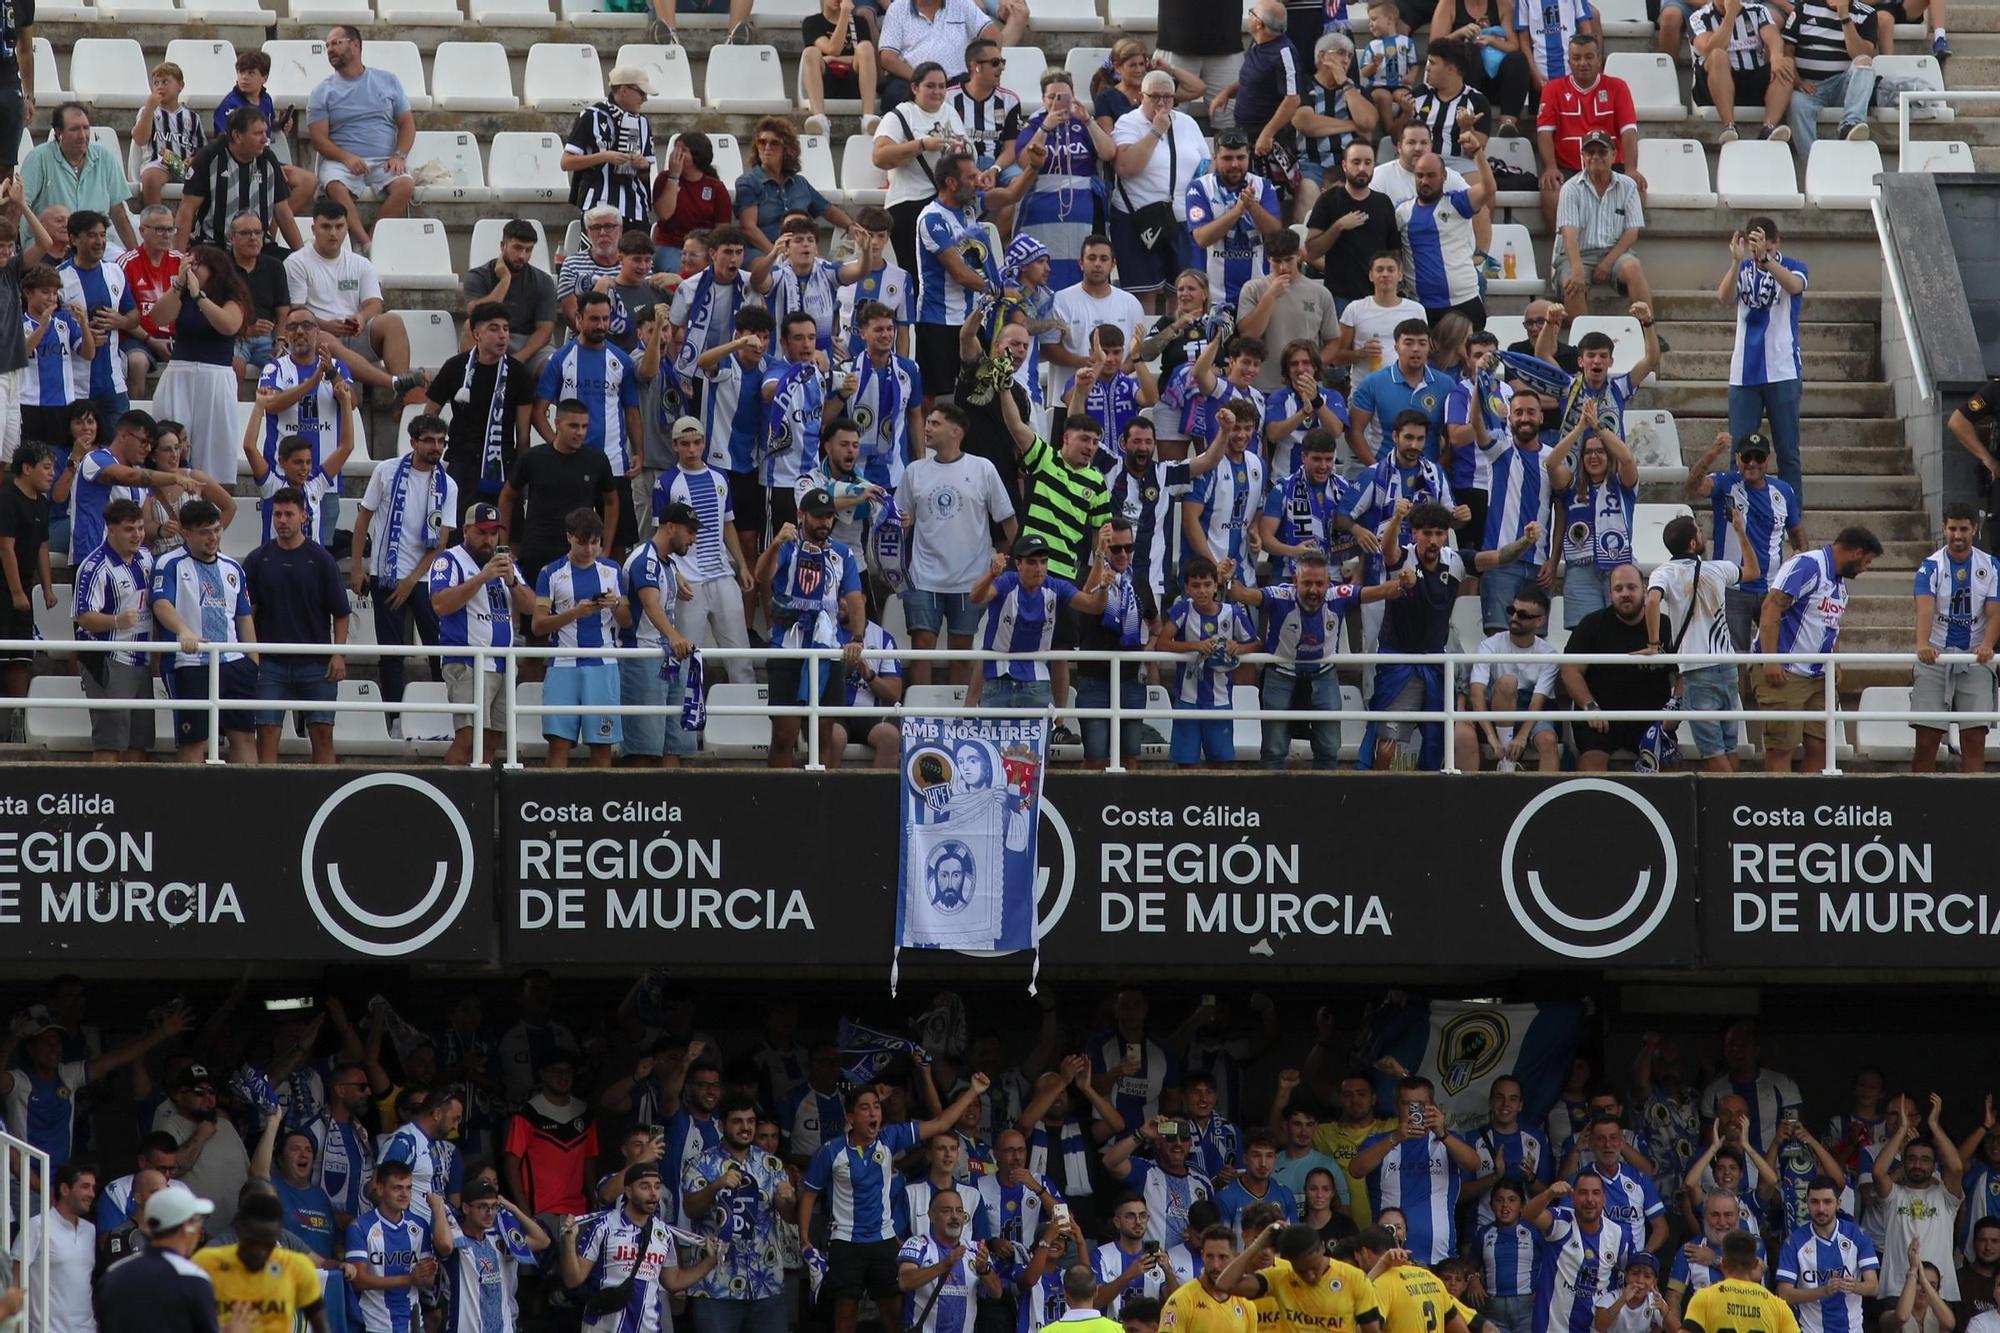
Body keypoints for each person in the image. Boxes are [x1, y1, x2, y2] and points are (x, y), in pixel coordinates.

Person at [798, 1075, 994, 1333]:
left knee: (893, 1314)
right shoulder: (831, 1151)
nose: (873, 1113)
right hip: (845, 1241)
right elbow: (810, 1193)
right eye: (865, 1108)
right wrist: (804, 1241)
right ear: (851, 1117)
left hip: (883, 1241)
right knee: (845, 1317)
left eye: (876, 1107)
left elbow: (942, 1123)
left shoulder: (890, 1138)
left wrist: (973, 1091)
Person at [896, 400, 1016, 686]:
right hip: (923, 578)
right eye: (927, 422)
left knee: (962, 652)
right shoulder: (914, 471)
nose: (926, 427)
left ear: (955, 431)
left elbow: (1008, 519)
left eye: (935, 423)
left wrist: (1012, 564)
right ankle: (918, 717)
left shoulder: (982, 468)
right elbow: (896, 522)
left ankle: (957, 720)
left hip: (971, 579)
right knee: (921, 648)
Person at [351, 414, 457, 715]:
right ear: (413, 442)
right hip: (385, 574)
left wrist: (411, 580)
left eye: (441, 442)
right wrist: (358, 568)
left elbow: (441, 543)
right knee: (391, 652)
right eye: (429, 441)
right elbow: (363, 520)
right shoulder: (386, 471)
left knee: (439, 651)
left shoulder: (448, 484)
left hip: (426, 580)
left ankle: (444, 715)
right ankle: (394, 717)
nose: (437, 447)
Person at [1755, 526, 1881, 772]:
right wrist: (1770, 660)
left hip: (1820, 676)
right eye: (1866, 561)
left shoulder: (1840, 584)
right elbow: (1771, 607)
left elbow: (1830, 625)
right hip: (1785, 671)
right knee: (1781, 746)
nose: (1865, 568)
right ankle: (1780, 808)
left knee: (1821, 745)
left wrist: (1836, 663)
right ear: (1855, 553)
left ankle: (1809, 805)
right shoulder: (1807, 565)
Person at [242, 484, 348, 764]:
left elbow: (341, 612)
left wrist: (338, 654)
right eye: (277, 514)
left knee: (323, 732)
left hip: (316, 662)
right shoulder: (257, 559)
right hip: (270, 663)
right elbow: (246, 613)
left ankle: (325, 797)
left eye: (289, 514)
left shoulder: (322, 559)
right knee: (265, 731)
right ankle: (266, 798)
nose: (282, 520)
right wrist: (251, 654)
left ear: (304, 516)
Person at [149, 500, 258, 763]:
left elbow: (244, 617)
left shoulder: (232, 567)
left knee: (243, 736)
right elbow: (161, 603)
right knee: (194, 739)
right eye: (205, 532)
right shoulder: (169, 563)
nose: (213, 538)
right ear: (186, 533)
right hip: (190, 663)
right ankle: (191, 803)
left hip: (233, 663)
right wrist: (184, 632)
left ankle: (251, 800)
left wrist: (253, 662)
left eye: (217, 530)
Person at [428, 502, 535, 766]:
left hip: (502, 663)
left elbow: (532, 606)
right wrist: (481, 578)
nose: (489, 539)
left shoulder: (505, 563)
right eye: (482, 532)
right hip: (467, 662)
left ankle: (478, 800)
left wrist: (511, 581)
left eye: (494, 533)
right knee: (467, 740)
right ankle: (448, 797)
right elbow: (440, 604)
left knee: (492, 741)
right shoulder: (449, 559)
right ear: (466, 530)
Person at [1646, 514, 1755, 772]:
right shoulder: (1718, 568)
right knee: (1730, 746)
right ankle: (1735, 803)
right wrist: (1740, 532)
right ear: (1693, 544)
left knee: (1712, 750)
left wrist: (1653, 644)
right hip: (1728, 668)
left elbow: (1651, 601)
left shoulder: (1664, 572)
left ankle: (1727, 805)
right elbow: (1754, 571)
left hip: (1696, 669)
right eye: (1699, 531)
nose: (1702, 534)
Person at [284, 200, 423, 396]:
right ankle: (394, 383)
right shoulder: (297, 262)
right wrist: (325, 325)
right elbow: (296, 311)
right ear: (313, 229)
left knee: (392, 321)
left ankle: (402, 399)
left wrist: (360, 319)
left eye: (339, 226)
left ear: (346, 228)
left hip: (354, 332)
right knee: (325, 341)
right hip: (317, 334)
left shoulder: (360, 263)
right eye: (326, 227)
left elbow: (374, 303)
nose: (333, 233)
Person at [968, 531, 1113, 715]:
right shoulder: (1006, 582)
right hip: (998, 681)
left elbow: (1093, 606)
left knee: (1036, 745)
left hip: (1037, 683)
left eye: (1043, 561)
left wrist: (1103, 587)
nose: (1039, 568)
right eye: (1032, 562)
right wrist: (991, 574)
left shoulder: (1056, 586)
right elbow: (975, 597)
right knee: (995, 744)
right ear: (1018, 564)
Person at [531, 506, 629, 769]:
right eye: (582, 543)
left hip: (603, 664)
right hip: (563, 663)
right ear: (569, 538)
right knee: (559, 744)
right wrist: (575, 613)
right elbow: (538, 625)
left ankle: (601, 806)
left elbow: (628, 621)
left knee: (602, 744)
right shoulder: (549, 573)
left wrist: (615, 604)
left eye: (595, 543)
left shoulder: (611, 570)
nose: (589, 550)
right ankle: (554, 807)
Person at [1720, 219, 1809, 501]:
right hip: (1744, 373)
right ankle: (1737, 509)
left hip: (1782, 369)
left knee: (1787, 451)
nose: (1757, 249)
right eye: (1752, 243)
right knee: (1740, 449)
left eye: (1764, 243)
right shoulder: (1743, 269)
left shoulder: (1794, 266)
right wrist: (1736, 263)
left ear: (1776, 242)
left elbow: (1794, 286)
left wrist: (1767, 261)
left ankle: (1792, 516)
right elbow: (1723, 297)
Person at [1908, 502, 2000, 770]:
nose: (1957, 536)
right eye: (1952, 529)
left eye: (1963, 529)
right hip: (1936, 657)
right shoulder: (1930, 566)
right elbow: (1924, 609)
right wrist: (1923, 645)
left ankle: (1974, 807)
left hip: (1974, 658)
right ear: (1943, 529)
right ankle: (1918, 805)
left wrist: (1987, 645)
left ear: (1975, 529)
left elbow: (1995, 613)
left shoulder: (1992, 566)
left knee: (1974, 739)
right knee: (1926, 739)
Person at [144, 245, 248, 483]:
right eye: (187, 262)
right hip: (179, 374)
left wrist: (199, 296)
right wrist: (179, 285)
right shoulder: (181, 294)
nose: (191, 268)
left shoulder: (231, 297)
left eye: (196, 264)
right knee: (170, 434)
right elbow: (159, 318)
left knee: (214, 446)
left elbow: (229, 325)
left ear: (214, 269)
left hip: (215, 377)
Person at [307, 25, 416, 249]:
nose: (330, 49)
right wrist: (346, 157)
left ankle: (375, 240)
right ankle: (364, 243)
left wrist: (399, 155)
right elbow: (319, 139)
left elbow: (407, 124)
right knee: (335, 186)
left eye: (336, 43)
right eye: (327, 45)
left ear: (355, 45)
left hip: (384, 160)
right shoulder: (321, 92)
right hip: (341, 161)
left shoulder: (388, 80)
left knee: (405, 186)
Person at [1111, 71, 1209, 312]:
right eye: (1155, 96)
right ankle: (1144, 346)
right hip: (1140, 219)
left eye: (1168, 97)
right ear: (1141, 96)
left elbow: (1206, 165)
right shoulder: (1128, 122)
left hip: (1181, 219)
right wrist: (1156, 131)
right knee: (1144, 294)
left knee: (1181, 291)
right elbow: (1126, 167)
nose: (1162, 103)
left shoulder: (1188, 123)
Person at [71, 495, 153, 762]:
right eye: (130, 529)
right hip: (109, 658)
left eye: (140, 528)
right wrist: (116, 621)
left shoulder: (146, 559)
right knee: (109, 742)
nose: (137, 535)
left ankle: (133, 802)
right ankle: (103, 801)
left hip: (142, 658)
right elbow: (82, 616)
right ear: (111, 529)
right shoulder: (95, 566)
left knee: (138, 741)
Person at [618, 498, 697, 768]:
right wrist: (674, 636)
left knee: (673, 744)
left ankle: (673, 807)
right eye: (690, 531)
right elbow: (650, 604)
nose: (694, 539)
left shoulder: (668, 564)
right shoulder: (644, 560)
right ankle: (644, 807)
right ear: (671, 527)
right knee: (644, 747)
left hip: (668, 656)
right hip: (643, 654)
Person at [1533, 35, 1642, 228]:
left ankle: (1615, 252)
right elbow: (1544, 133)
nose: (1583, 63)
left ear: (1599, 59)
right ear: (1569, 61)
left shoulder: (1618, 86)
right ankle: (1564, 253)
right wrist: (1550, 167)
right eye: (1577, 58)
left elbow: (1629, 132)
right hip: (1568, 169)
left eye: (1589, 57)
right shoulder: (1553, 89)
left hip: (1610, 166)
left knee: (1636, 187)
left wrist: (1631, 169)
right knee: (1550, 191)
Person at [1873, 1098, 1968, 1307]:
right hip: (1896, 1289)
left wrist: (1934, 1125)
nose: (1917, 1164)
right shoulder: (1893, 1195)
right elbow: (1878, 1172)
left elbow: (1957, 1167)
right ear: (1903, 1162)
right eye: (1911, 1158)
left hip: (1939, 1291)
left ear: (1934, 1165)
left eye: (1925, 1160)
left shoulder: (1946, 1196)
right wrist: (1902, 1130)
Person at [1396, 134, 1497, 327]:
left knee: (1470, 356)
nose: (1424, 181)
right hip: (1422, 306)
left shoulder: (1457, 203)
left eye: (1431, 175)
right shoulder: (1402, 212)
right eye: (1420, 175)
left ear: (1443, 176)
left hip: (1464, 301)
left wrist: (1477, 152)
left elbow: (1489, 188)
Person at [1456, 585, 1560, 771]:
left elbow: (1538, 701)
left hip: (1529, 711)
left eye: (1523, 615)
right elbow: (1477, 693)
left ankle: (1547, 799)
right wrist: (1491, 737)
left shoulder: (1548, 653)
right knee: (1506, 684)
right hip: (1493, 709)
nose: (1514, 618)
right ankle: (1505, 764)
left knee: (1548, 741)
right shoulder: (1490, 644)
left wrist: (1522, 736)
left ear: (1539, 621)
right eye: (1512, 611)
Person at [194, 1190, 329, 1333]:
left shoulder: (297, 1266)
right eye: (253, 1242)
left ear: (278, 1234)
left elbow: (320, 1324)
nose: (259, 1251)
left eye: (267, 1243)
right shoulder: (207, 1263)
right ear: (238, 1230)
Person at [1552, 131, 1652, 319]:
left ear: (1614, 155)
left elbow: (1632, 232)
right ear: (1582, 156)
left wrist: (1607, 262)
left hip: (1614, 253)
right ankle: (1581, 342)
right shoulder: (1571, 188)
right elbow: (1568, 233)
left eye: (1601, 152)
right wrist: (1577, 268)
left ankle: (1648, 328)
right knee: (1572, 283)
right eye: (1590, 152)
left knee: (1633, 267)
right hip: (1577, 253)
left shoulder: (1628, 185)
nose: (1595, 157)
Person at [428, 1178, 549, 1333]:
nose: (490, 1213)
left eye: (493, 1207)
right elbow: (444, 1246)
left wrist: (514, 1209)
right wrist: (438, 1208)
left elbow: (542, 1241)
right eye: (483, 1207)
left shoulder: (498, 1240)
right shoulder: (455, 1240)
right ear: (465, 1208)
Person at [1210, 1221, 1376, 1333]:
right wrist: (1259, 1243)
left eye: (1314, 1267)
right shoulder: (1281, 1278)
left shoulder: (1354, 1278)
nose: (1310, 1276)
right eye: (1301, 1271)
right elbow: (1225, 1284)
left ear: (1322, 1248)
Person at [176, 107, 301, 256]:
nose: (264, 139)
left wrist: (304, 258)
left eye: (265, 133)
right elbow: (186, 210)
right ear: (237, 136)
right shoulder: (209, 157)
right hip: (215, 247)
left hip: (260, 248)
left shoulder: (268, 159)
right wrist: (176, 258)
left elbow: (283, 213)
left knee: (291, 267)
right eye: (257, 133)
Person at [95, 1188, 219, 1333]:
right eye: (198, 1222)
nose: (200, 1231)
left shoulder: (113, 1274)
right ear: (187, 1227)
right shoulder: (193, 1278)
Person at [22, 105, 137, 253]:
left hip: (97, 245)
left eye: (86, 128)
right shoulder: (38, 158)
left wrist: (136, 255)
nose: (83, 135)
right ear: (58, 133)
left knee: (122, 265)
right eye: (75, 129)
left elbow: (118, 212)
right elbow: (21, 206)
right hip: (51, 245)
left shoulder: (105, 157)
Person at [1775, 1174, 1880, 1333]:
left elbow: (1873, 1287)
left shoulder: (1858, 1235)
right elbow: (1784, 1293)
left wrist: (1853, 1286)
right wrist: (1823, 1291)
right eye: (1815, 1202)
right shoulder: (1794, 1242)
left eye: (1827, 1202)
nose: (1821, 1209)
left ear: (1838, 1204)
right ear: (1807, 1204)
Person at [347, 1161, 438, 1333]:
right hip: (375, 1325)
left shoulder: (419, 1226)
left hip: (414, 1324)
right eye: (397, 1188)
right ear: (380, 1189)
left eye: (408, 1188)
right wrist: (409, 1279)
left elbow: (428, 1280)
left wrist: (429, 1273)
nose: (405, 1194)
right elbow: (358, 1281)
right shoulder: (359, 1227)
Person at [877, 0, 1021, 109]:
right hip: (912, 78)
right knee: (893, 95)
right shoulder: (897, 8)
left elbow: (994, 36)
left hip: (956, 80)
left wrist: (979, 70)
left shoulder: (961, 3)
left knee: (973, 91)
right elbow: (887, 58)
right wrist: (922, 79)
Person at [560, 67, 655, 232]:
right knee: (599, 257)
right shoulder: (591, 116)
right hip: (598, 206)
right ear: (624, 90)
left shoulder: (643, 122)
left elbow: (647, 172)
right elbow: (566, 162)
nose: (645, 98)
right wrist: (603, 157)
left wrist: (643, 165)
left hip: (636, 208)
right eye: (641, 93)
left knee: (636, 257)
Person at [462, 221, 558, 375]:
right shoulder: (478, 276)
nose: (522, 256)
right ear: (503, 246)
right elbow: (477, 315)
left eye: (528, 250)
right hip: (490, 336)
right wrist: (505, 280)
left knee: (551, 368)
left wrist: (519, 358)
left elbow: (545, 330)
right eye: (517, 248)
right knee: (469, 326)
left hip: (529, 341)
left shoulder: (543, 280)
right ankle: (474, 389)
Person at [1689, 0, 1792, 142]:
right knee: (1718, 55)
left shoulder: (1758, 11)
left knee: (1786, 63)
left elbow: (1774, 38)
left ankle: (1768, 128)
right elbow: (1709, 48)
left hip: (1752, 78)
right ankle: (1729, 126)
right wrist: (1731, 15)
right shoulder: (1699, 17)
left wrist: (1776, 56)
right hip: (1715, 83)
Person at [1782, 0, 1878, 153]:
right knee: (1795, 102)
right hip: (1810, 87)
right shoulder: (1805, 7)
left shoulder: (1867, 13)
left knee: (1864, 62)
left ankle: (1850, 124)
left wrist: (1845, 17)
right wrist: (1797, 81)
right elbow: (1787, 51)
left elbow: (1860, 54)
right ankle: (1813, 164)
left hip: (1843, 85)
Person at [1683, 1233, 1800, 1333]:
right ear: (1755, 1265)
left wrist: (1666, 1313)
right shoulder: (1778, 1306)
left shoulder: (1704, 1298)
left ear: (1723, 1264)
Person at [801, 0, 882, 134]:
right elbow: (833, 49)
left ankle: (868, 117)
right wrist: (844, 14)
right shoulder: (812, 22)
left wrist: (833, 59)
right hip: (824, 84)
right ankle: (819, 118)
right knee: (811, 52)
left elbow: (864, 57)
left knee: (866, 47)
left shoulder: (860, 23)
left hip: (856, 83)